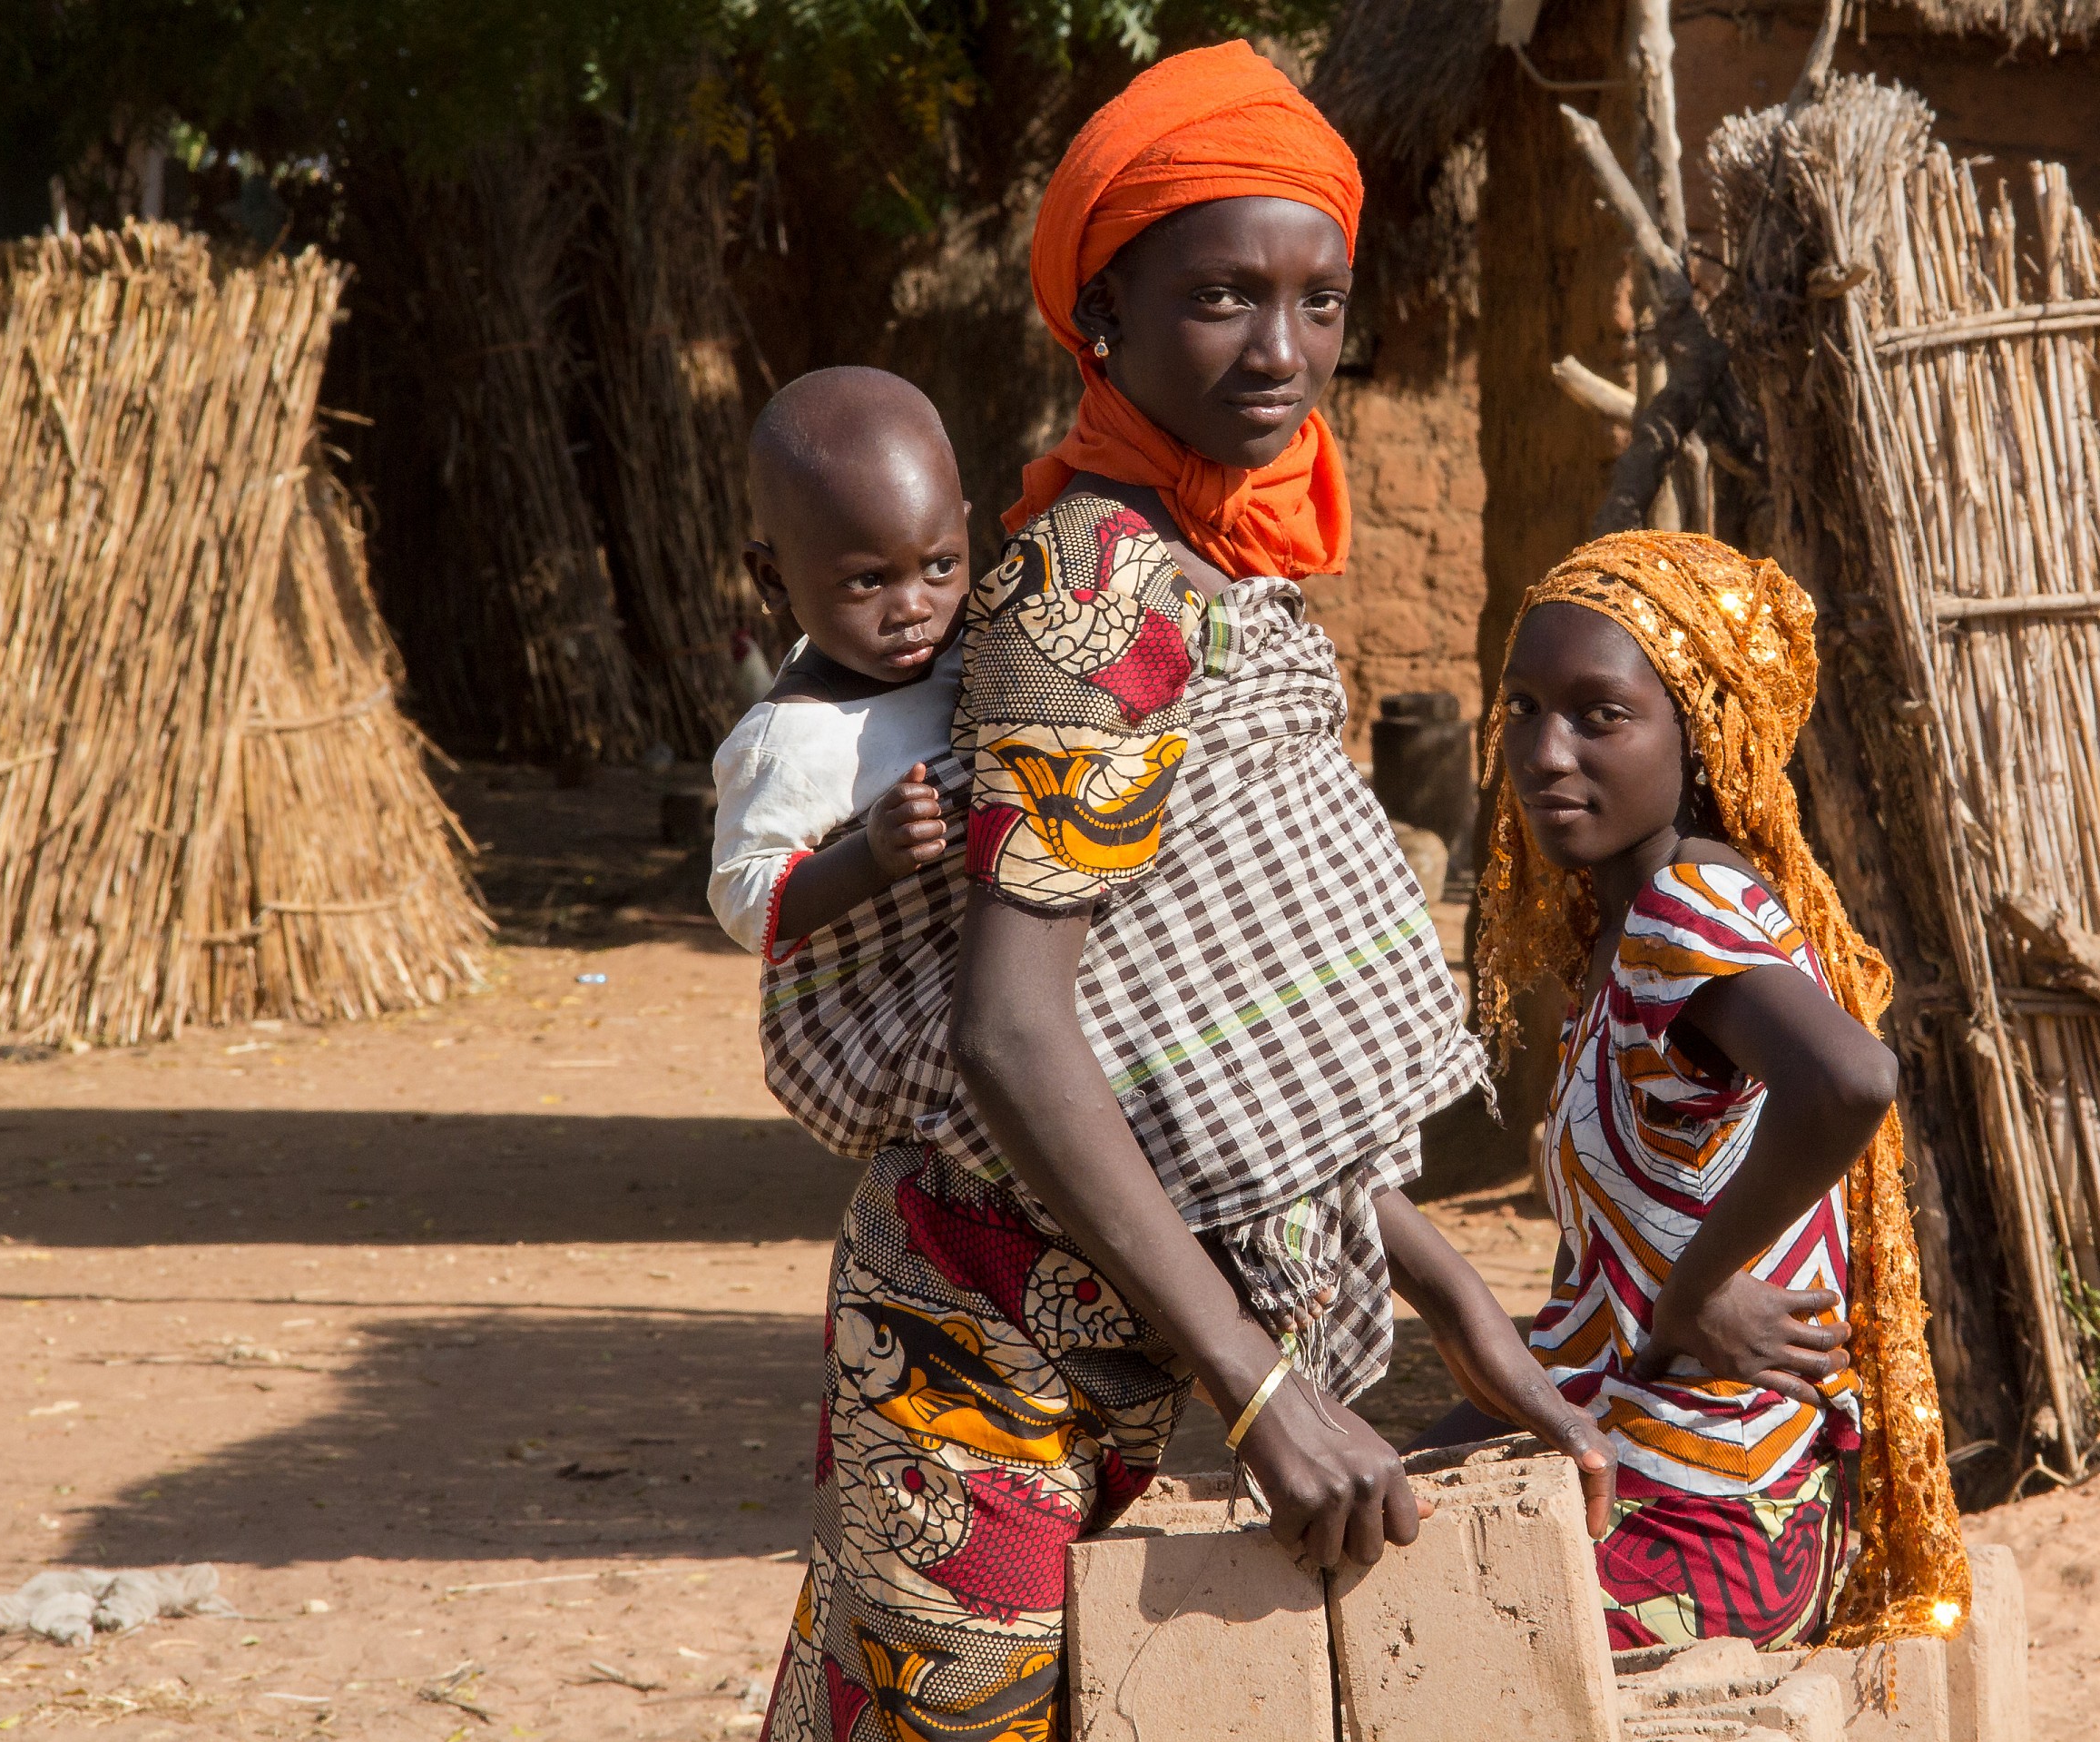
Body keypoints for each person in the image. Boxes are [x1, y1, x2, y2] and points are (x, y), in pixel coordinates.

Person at [760, 44, 1617, 1742]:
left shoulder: (1216, 568)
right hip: (977, 1365)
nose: (1284, 351)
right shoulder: (1093, 593)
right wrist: (1265, 1379)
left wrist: (1467, 1314)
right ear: (1106, 315)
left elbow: (1207, 1057)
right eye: (1225, 295)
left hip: (1101, 1353)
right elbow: (1016, 1034)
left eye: (1316, 297)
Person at [1464, 529, 1970, 1649]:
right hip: (1652, 1469)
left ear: (1697, 735)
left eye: (1601, 715)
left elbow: (1850, 1078)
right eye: (1523, 709)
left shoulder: (1685, 910)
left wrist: (1697, 1292)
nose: (1547, 752)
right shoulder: (1633, 924)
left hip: (1715, 1524)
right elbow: (1594, 1302)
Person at [708, 369, 965, 963]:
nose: (913, 606)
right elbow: (743, 897)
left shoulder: (974, 645)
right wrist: (869, 856)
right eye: (867, 580)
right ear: (773, 578)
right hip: (884, 1013)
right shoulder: (787, 742)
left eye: (941, 565)